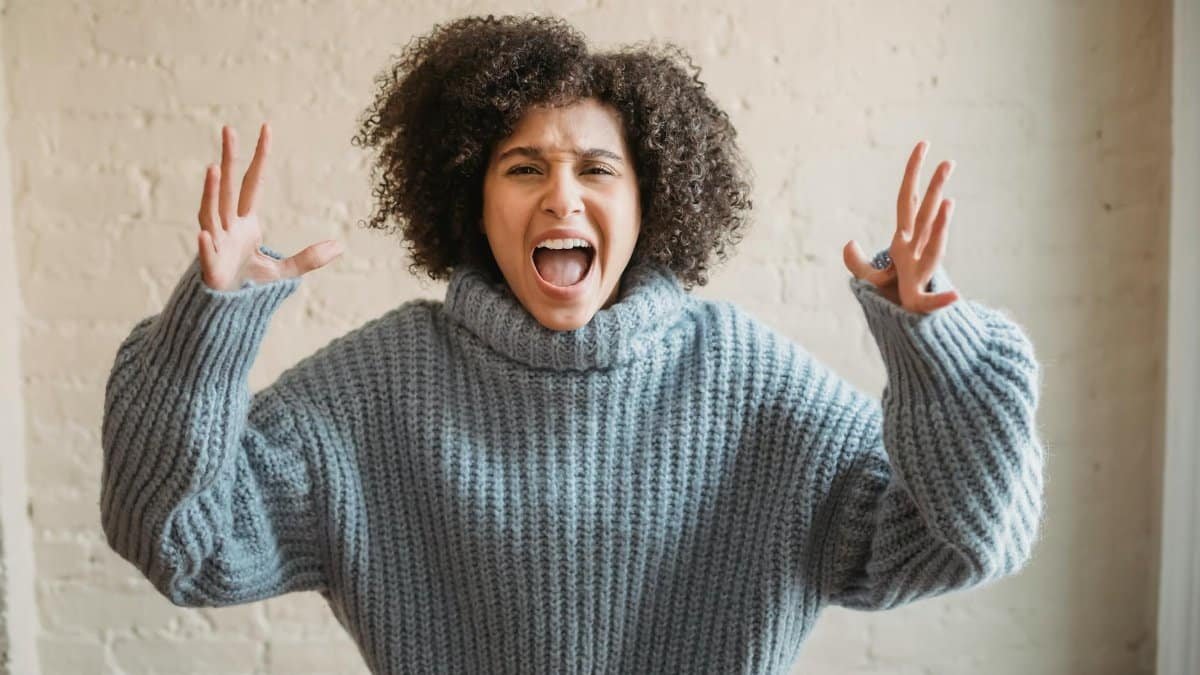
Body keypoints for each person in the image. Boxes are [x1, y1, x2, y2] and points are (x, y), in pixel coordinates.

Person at [99, 13, 1044, 675]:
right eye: (523, 168)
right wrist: (204, 333)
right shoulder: (377, 389)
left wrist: (938, 346)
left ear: (650, 203)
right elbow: (185, 546)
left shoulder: (749, 384)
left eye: (597, 168)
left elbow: (970, 540)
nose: (561, 197)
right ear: (472, 197)